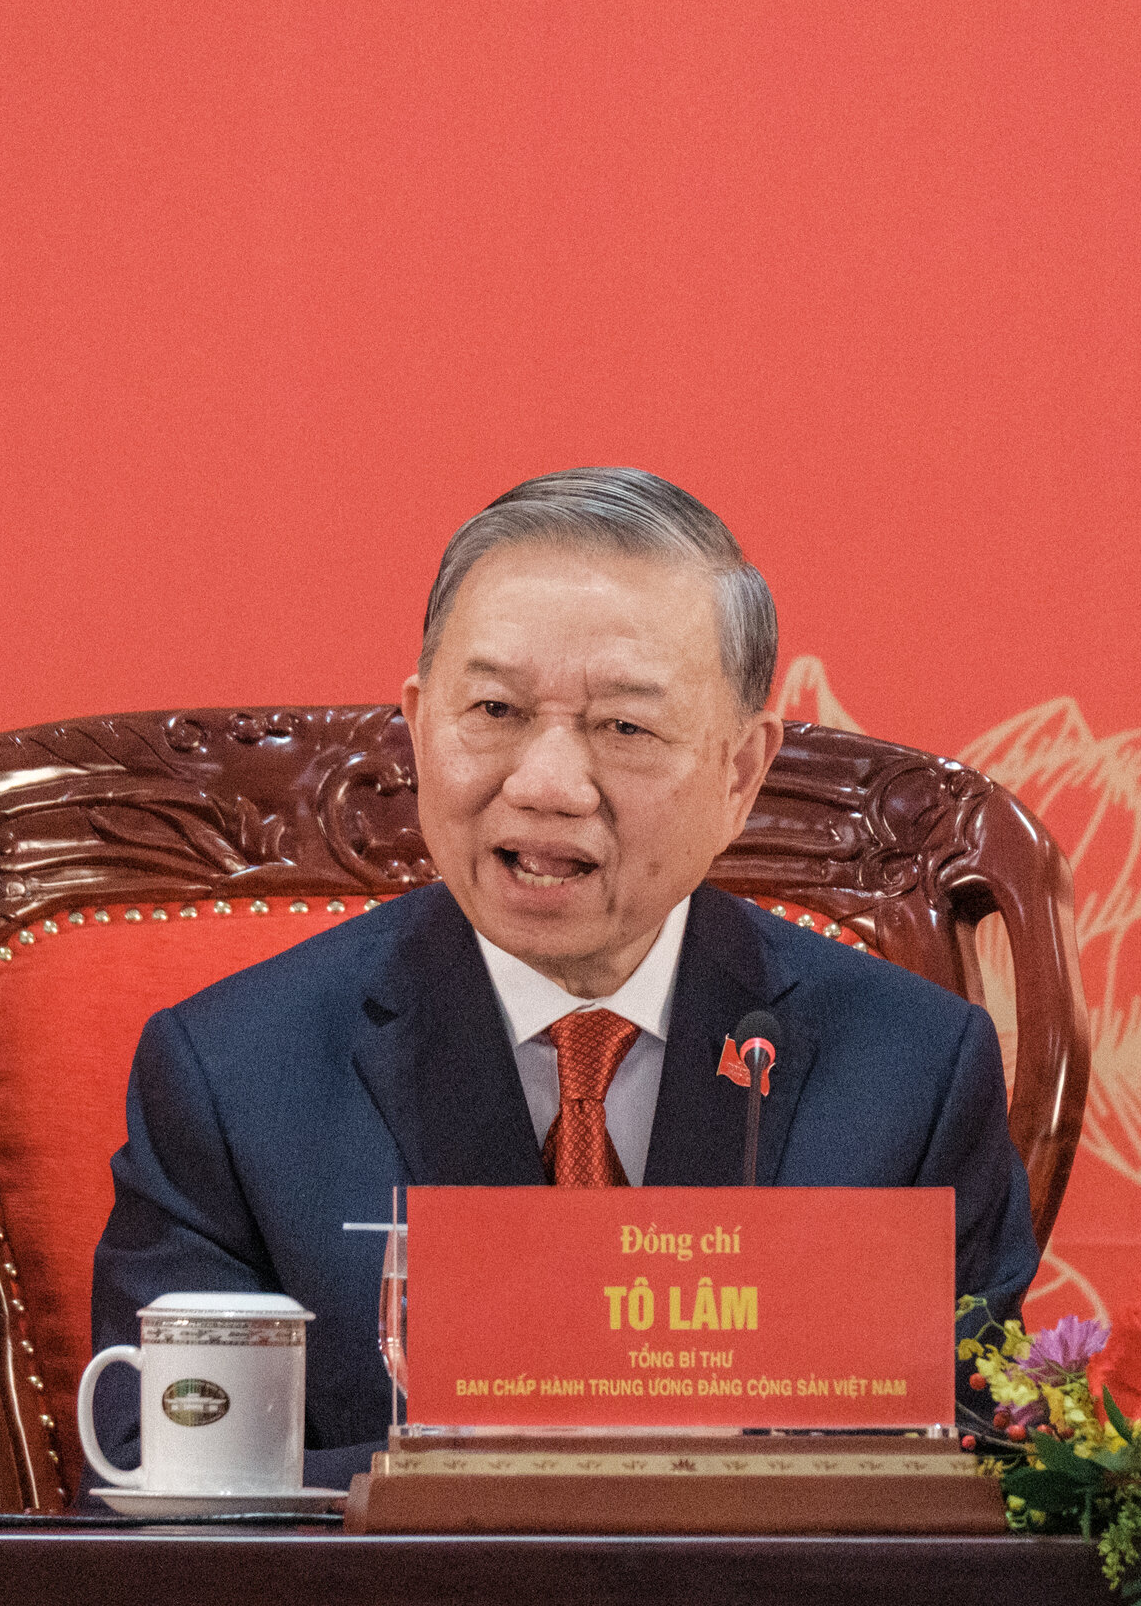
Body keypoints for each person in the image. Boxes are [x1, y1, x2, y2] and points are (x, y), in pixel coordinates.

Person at [89, 468, 1038, 1488]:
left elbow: (980, 1478)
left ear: (739, 773)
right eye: (494, 709)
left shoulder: (911, 1074)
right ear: (419, 725)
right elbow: (166, 1483)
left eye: (624, 728)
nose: (545, 785)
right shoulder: (233, 1075)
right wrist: (516, 1465)